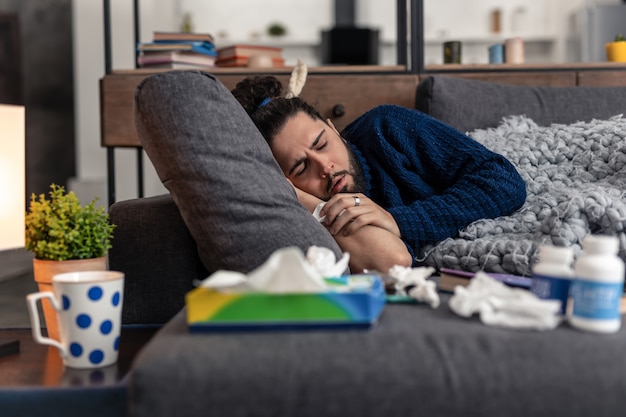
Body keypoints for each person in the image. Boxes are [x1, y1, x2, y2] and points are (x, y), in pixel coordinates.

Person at [231, 70, 527, 274]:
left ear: (334, 128)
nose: (325, 168)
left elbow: (502, 180)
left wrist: (397, 220)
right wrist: (303, 200)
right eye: (300, 167)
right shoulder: (308, 213)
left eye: (321, 144)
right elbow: (390, 262)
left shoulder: (387, 129)